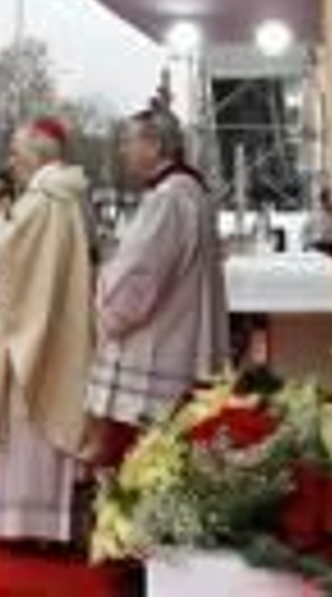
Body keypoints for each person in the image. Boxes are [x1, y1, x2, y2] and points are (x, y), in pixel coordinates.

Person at [0, 118, 93, 547]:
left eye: (16, 152)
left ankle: (26, 526)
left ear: (39, 154)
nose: (10, 161)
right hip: (50, 326)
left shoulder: (41, 201)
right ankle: (41, 525)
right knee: (33, 429)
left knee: (25, 429)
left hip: (29, 338)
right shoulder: (66, 197)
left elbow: (3, 260)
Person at [86, 106, 228, 472]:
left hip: (157, 346)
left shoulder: (168, 198)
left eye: (128, 142)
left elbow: (140, 275)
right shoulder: (190, 190)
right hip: (177, 335)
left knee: (140, 462)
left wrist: (101, 280)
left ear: (154, 144)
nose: (123, 151)